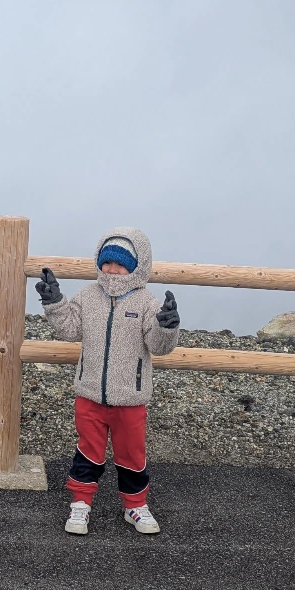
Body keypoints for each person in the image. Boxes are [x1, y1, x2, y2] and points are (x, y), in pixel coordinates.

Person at [36, 228, 179, 535]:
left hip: (130, 399)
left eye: (121, 263)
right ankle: (81, 504)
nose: (113, 269)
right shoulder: (88, 296)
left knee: (131, 455)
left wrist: (167, 327)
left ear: (137, 265)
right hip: (89, 395)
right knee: (88, 452)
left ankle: (135, 506)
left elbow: (158, 345)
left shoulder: (146, 302)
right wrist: (55, 302)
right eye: (107, 262)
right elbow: (69, 330)